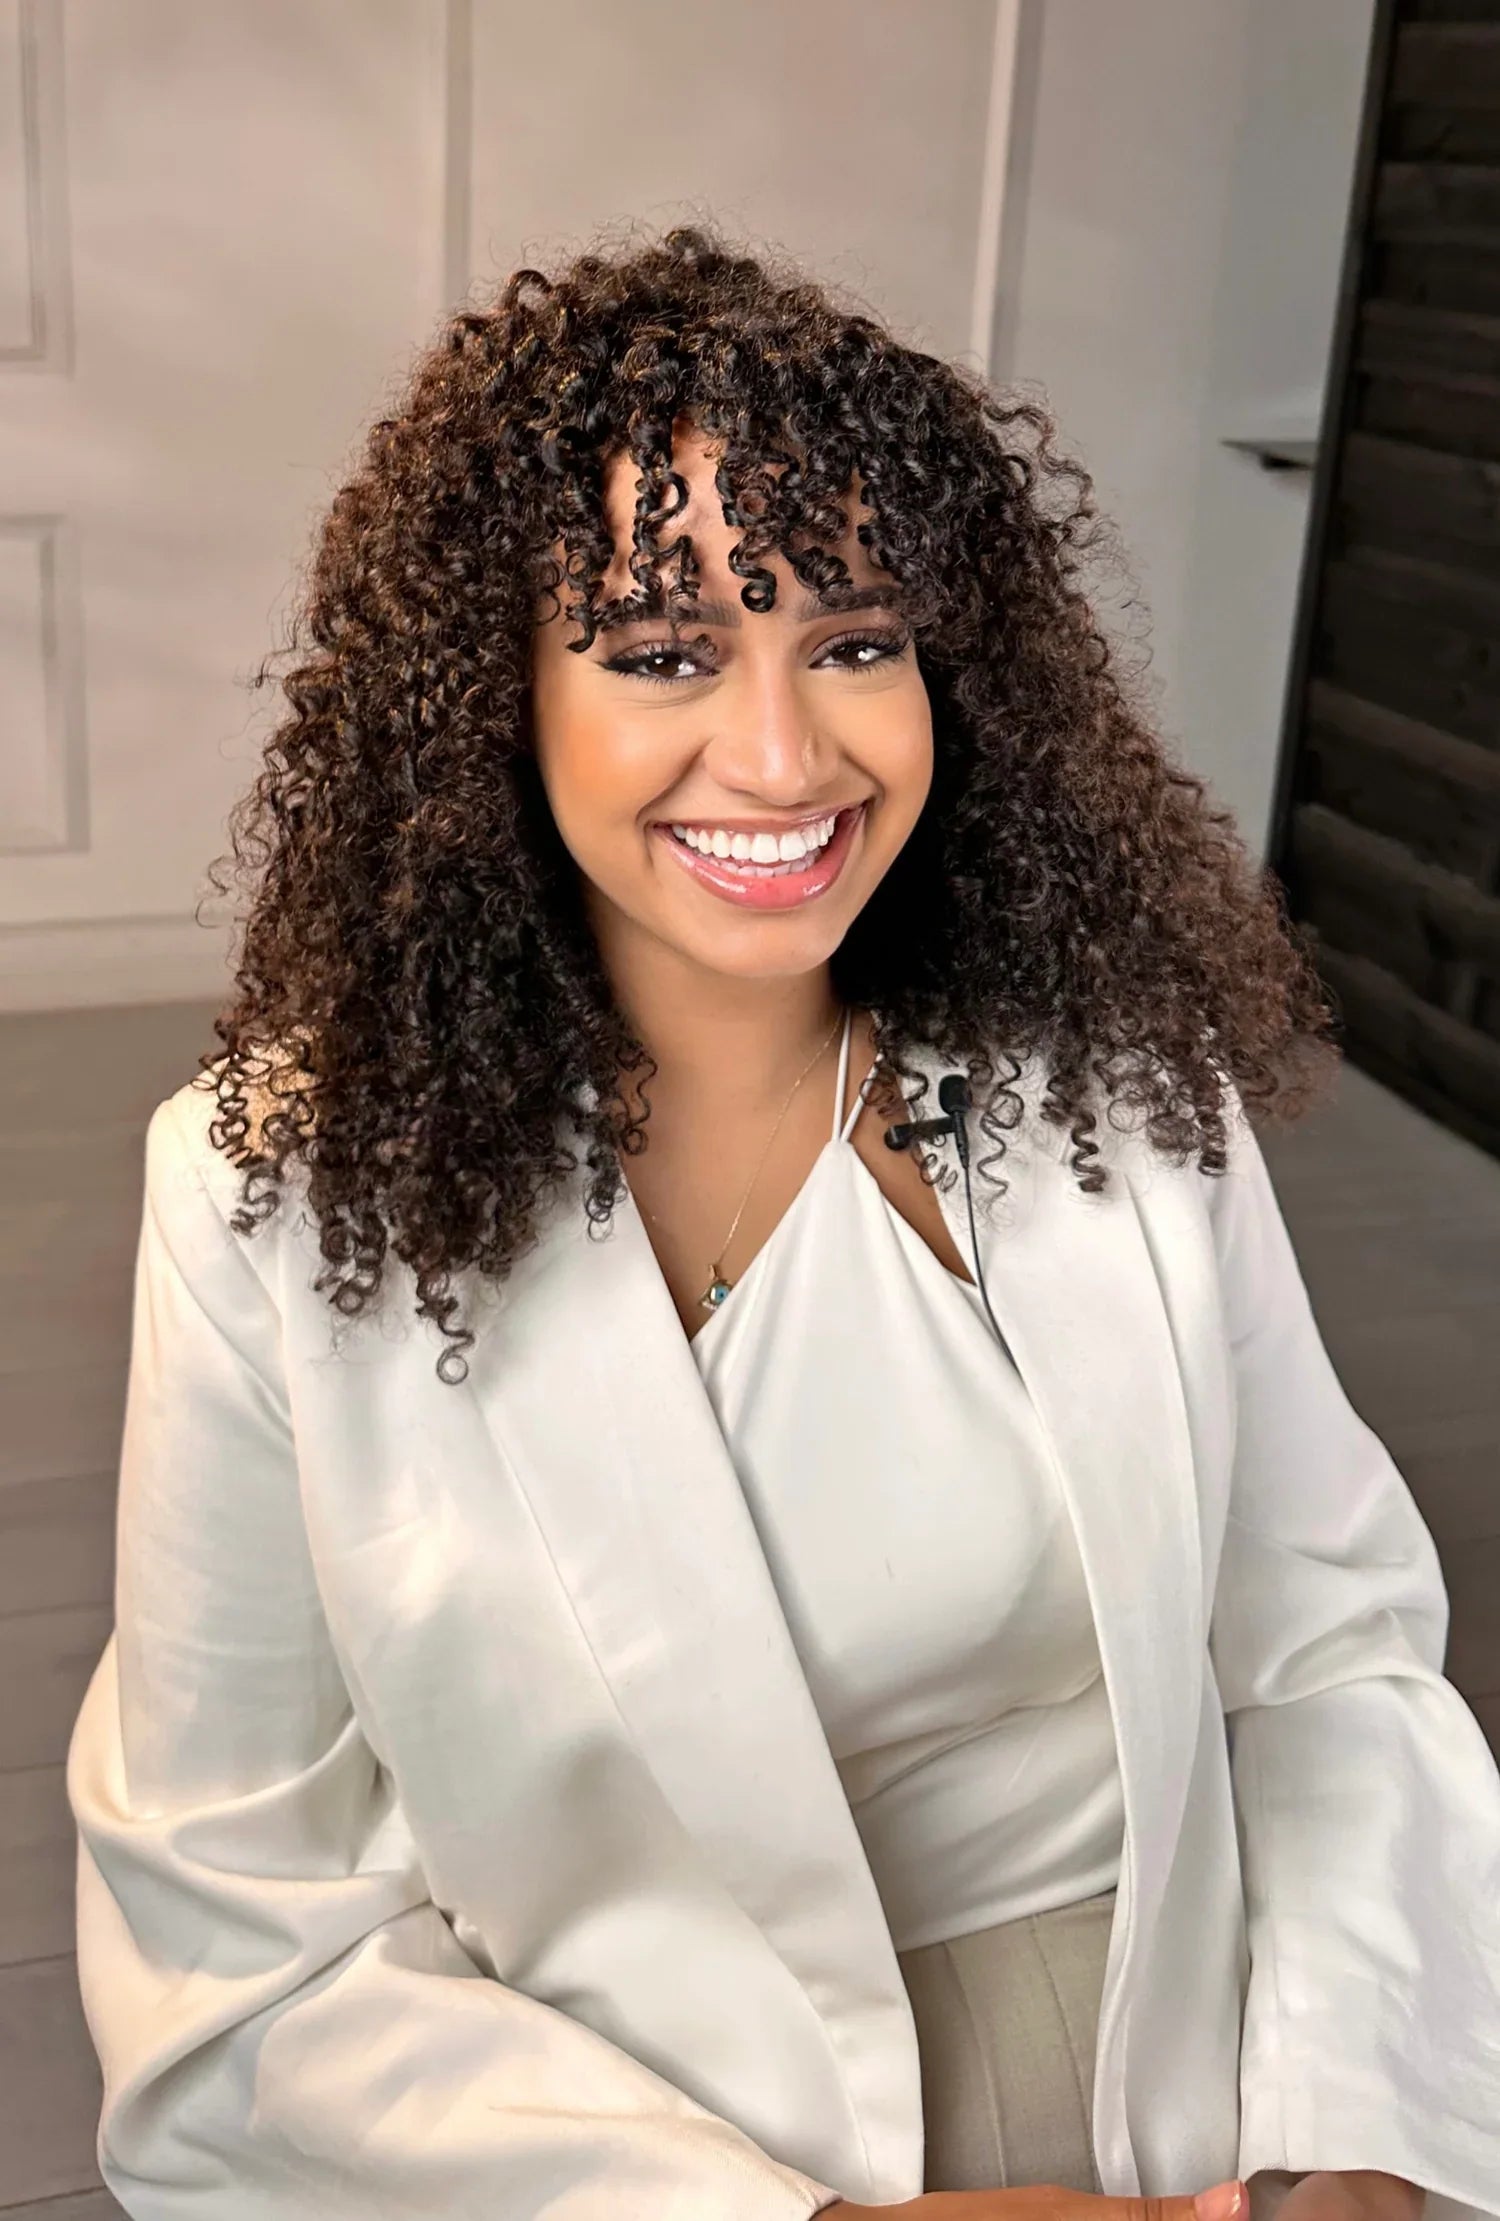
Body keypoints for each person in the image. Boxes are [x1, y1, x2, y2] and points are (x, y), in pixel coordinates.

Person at [66, 222, 1500, 2221]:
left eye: (853, 636)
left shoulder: (1112, 1084)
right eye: (661, 651)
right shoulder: (256, 1202)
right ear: (500, 695)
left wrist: (1351, 2134)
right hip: (610, 2155)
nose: (782, 755)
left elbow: (1331, 1656)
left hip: (1204, 2091)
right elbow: (237, 1964)